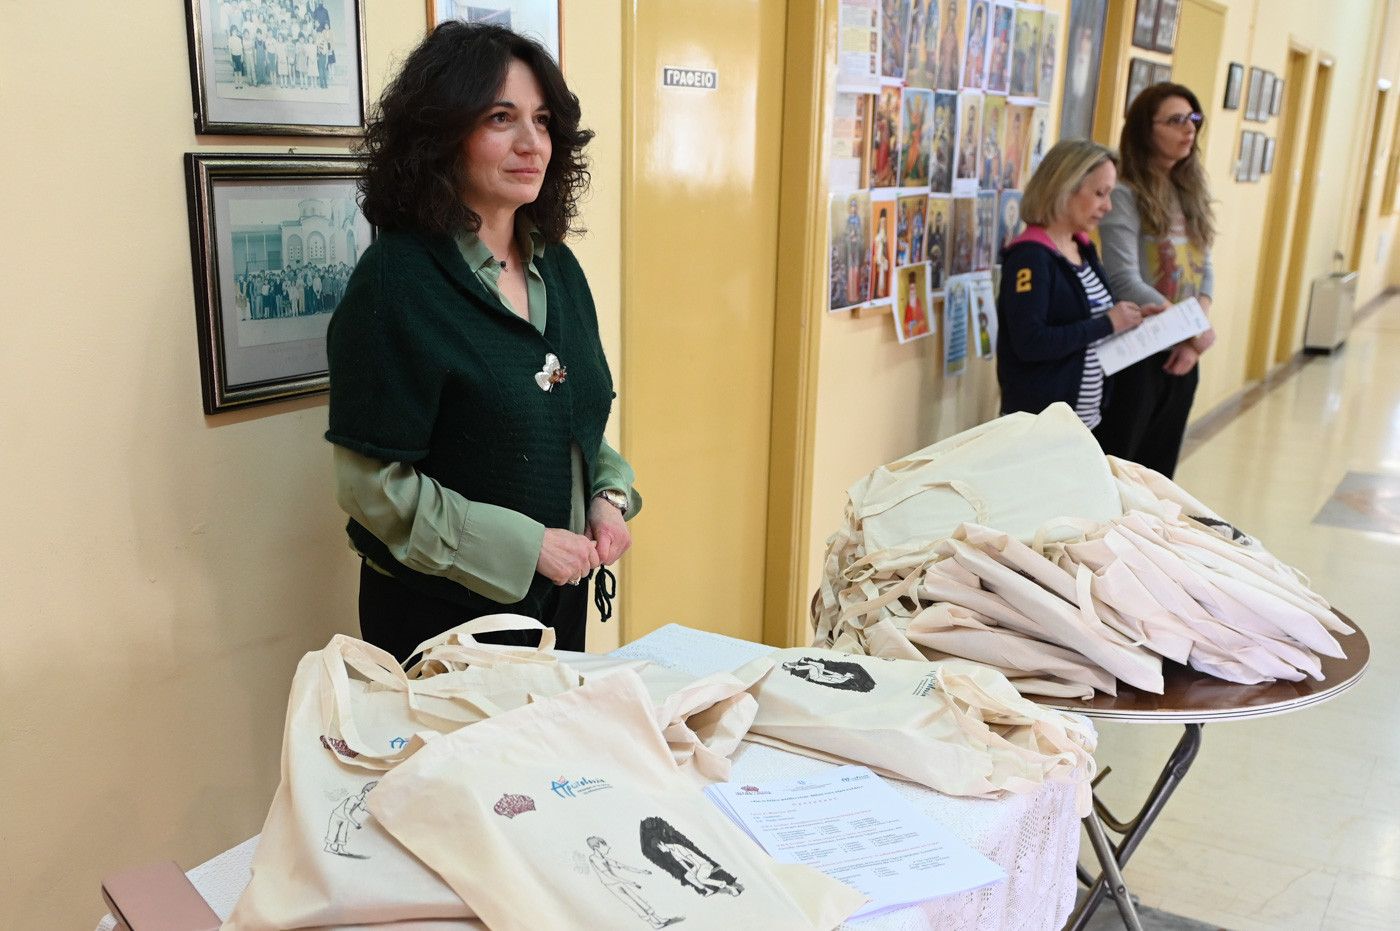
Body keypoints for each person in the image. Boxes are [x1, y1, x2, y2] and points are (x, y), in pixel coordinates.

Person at [326, 22, 639, 662]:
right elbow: (372, 486)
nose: (532, 143)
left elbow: (571, 423)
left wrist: (608, 497)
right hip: (440, 620)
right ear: (442, 135)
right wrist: (527, 548)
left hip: (559, 604)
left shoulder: (558, 267)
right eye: (501, 118)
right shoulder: (396, 282)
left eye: (542, 121)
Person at [1096, 83, 1217, 478]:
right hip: (1139, 352)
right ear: (1145, 130)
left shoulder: (1189, 190)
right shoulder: (1124, 194)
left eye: (1193, 119)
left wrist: (1193, 337)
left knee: (1160, 474)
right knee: (1123, 469)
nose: (1189, 129)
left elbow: (1204, 270)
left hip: (1184, 351)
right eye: (1175, 120)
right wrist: (1191, 330)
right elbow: (1124, 280)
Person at [995, 139, 1157, 429]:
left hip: (1084, 421)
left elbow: (1089, 321)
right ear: (1064, 188)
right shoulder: (1030, 257)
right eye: (1099, 193)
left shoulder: (1082, 247)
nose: (1107, 206)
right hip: (1039, 423)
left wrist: (1133, 319)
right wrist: (1108, 323)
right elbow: (1030, 342)